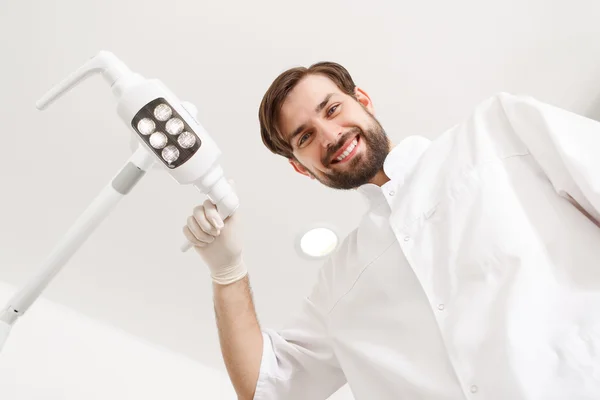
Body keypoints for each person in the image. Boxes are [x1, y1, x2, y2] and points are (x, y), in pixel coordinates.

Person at [182, 62, 600, 400]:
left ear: (362, 100)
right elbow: (266, 389)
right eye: (305, 137)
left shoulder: (495, 131)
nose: (330, 135)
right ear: (300, 167)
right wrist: (227, 270)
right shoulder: (339, 281)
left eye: (332, 109)